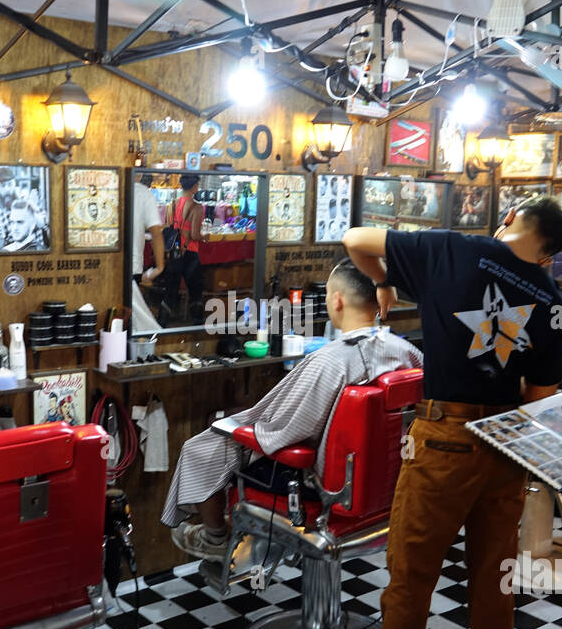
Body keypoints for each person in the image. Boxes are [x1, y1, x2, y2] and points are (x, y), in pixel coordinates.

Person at [339, 195, 562, 629]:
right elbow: (541, 395)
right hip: (506, 442)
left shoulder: (450, 249)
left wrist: (381, 283)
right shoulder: (551, 297)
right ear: (549, 254)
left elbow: (355, 240)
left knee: (412, 572)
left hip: (445, 436)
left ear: (511, 219)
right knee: (495, 579)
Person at [162, 260, 423, 559]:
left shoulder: (330, 361)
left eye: (327, 294)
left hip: (317, 483)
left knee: (202, 446)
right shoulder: (406, 351)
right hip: (388, 482)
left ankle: (215, 537)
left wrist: (242, 425)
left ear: (337, 300)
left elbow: (285, 429)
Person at [157, 174, 205, 324]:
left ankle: (162, 322)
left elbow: (170, 228)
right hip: (190, 252)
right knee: (195, 290)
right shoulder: (196, 207)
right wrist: (205, 237)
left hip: (175, 251)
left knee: (171, 289)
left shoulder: (172, 204)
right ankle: (196, 324)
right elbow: (195, 234)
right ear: (194, 187)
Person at [130, 174, 167, 333]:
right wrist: (159, 268)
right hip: (132, 265)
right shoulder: (142, 193)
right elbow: (156, 232)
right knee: (134, 322)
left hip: (105, 264)